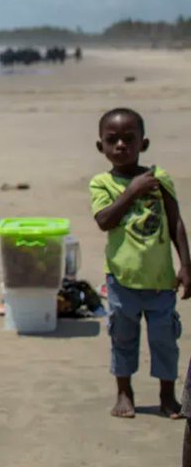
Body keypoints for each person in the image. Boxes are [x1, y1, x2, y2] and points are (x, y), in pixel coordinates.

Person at [91, 107, 190, 420]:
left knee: (165, 340)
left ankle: (167, 395)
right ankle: (124, 391)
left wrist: (186, 266)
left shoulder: (159, 178)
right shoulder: (101, 183)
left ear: (143, 144)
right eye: (112, 140)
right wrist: (132, 192)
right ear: (101, 147)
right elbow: (104, 221)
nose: (121, 145)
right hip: (122, 280)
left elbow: (175, 222)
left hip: (161, 281)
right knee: (123, 338)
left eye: (128, 138)